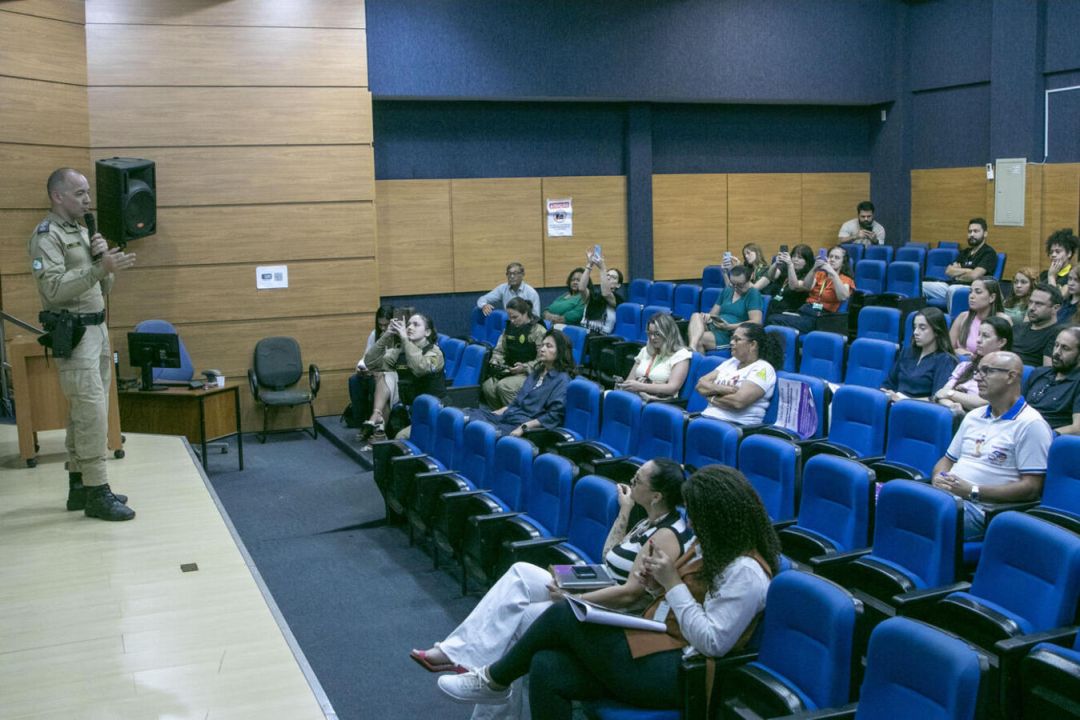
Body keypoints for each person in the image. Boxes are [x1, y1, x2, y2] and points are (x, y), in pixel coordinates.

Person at [436, 465, 779, 719]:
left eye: (697, 516)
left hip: (678, 672)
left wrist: (672, 583)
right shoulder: (712, 548)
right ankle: (491, 681)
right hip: (656, 642)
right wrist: (659, 581)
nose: (690, 524)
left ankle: (493, 680)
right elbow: (680, 597)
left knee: (564, 613)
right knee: (546, 667)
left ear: (720, 518)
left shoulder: (745, 572)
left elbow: (712, 642)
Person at [412, 458, 693, 720]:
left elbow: (631, 594)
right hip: (601, 583)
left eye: (637, 480)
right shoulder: (648, 519)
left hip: (617, 609)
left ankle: (488, 698)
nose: (631, 483)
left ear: (656, 495)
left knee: (524, 618)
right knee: (520, 573)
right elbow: (608, 554)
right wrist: (626, 510)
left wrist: (575, 598)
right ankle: (456, 653)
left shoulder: (666, 534)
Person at [29, 168, 137, 521]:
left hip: (97, 331)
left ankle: (79, 486)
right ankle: (97, 492)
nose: (87, 199)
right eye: (79, 193)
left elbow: (102, 290)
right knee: (90, 412)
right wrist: (96, 268)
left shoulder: (82, 231)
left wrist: (104, 266)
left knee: (87, 414)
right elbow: (54, 289)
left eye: (88, 192)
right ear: (57, 196)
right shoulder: (46, 237)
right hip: (74, 336)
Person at [931, 351, 1052, 540]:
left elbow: (1031, 488)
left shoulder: (1031, 424)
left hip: (983, 512)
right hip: (947, 498)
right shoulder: (974, 416)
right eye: (978, 371)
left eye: (987, 371)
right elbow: (946, 461)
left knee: (917, 517)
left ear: (1011, 376)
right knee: (891, 503)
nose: (978, 377)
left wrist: (973, 491)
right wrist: (938, 477)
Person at [470, 329, 573, 436]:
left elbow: (553, 416)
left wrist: (523, 428)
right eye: (542, 345)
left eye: (548, 346)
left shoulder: (562, 380)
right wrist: (492, 415)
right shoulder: (536, 373)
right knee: (468, 415)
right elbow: (515, 404)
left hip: (522, 425)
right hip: (508, 417)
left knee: (482, 431)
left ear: (560, 351)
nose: (542, 349)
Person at [360, 313, 445, 440]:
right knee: (384, 374)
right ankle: (377, 414)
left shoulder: (435, 353)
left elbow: (419, 368)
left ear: (427, 332)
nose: (410, 327)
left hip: (430, 411)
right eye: (409, 324)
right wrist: (387, 335)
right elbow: (370, 363)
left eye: (416, 325)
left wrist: (405, 339)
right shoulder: (400, 351)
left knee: (399, 439)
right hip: (409, 408)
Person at [697, 323, 782, 426]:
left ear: (753, 345)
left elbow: (738, 402)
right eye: (732, 338)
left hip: (736, 426)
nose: (731, 342)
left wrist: (711, 397)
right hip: (707, 418)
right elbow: (701, 384)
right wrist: (722, 389)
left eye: (737, 340)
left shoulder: (763, 368)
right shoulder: (732, 362)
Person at [935, 316, 1013, 417]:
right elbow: (941, 394)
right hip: (953, 413)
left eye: (985, 336)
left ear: (1001, 342)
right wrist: (954, 406)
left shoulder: (1005, 373)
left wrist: (951, 394)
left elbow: (984, 403)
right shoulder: (965, 366)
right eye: (979, 334)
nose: (978, 340)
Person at [769, 245, 854, 333]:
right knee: (774, 317)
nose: (832, 259)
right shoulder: (820, 274)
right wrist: (814, 268)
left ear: (843, 262)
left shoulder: (845, 279)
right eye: (830, 256)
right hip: (805, 312)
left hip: (820, 318)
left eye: (837, 258)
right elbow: (806, 286)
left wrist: (832, 273)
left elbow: (843, 297)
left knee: (773, 320)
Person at [922, 218, 999, 312]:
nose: (972, 234)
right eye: (970, 231)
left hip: (972, 289)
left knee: (953, 291)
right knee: (922, 286)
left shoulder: (988, 253)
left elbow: (975, 276)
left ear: (985, 233)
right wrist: (968, 271)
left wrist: (958, 274)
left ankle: (953, 322)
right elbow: (949, 271)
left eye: (976, 231)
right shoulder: (965, 252)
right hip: (951, 285)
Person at [481, 298, 547, 408]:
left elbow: (543, 360)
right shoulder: (508, 329)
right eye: (510, 317)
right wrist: (497, 361)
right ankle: (501, 415)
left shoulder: (538, 331)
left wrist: (525, 367)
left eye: (515, 317)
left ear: (525, 313)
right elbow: (499, 350)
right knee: (488, 386)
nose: (512, 321)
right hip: (511, 369)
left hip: (532, 372)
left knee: (504, 386)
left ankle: (519, 416)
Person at [881, 307, 957, 401]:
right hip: (895, 403)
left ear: (937, 331)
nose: (915, 332)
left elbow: (936, 398)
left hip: (919, 409)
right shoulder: (907, 352)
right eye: (915, 327)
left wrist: (903, 401)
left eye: (922, 328)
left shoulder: (945, 360)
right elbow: (888, 383)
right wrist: (885, 393)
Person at [686, 265, 762, 352]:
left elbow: (756, 322)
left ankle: (697, 361)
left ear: (748, 280)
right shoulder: (728, 290)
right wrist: (708, 317)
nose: (736, 288)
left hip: (732, 333)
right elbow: (713, 314)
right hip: (717, 326)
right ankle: (692, 347)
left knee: (699, 338)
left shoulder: (753, 294)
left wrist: (729, 327)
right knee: (696, 315)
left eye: (740, 285)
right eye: (733, 284)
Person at [618, 313, 692, 401]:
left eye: (657, 334)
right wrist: (622, 385)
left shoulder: (681, 355)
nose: (652, 338)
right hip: (636, 397)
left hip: (659, 401)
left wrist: (641, 387)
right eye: (650, 333)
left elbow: (672, 388)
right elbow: (630, 380)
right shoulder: (645, 350)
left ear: (668, 333)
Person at [1024, 326, 1080, 435]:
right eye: (1056, 345)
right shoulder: (1039, 373)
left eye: (1065, 348)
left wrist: (1046, 435)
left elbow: (1078, 428)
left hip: (1048, 439)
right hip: (1019, 429)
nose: (1056, 352)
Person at [347, 305, 394, 428]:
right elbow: (366, 357)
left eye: (386, 325)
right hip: (373, 371)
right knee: (354, 381)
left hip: (389, 374)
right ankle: (361, 422)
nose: (383, 328)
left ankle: (377, 422)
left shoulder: (399, 337)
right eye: (380, 325)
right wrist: (361, 366)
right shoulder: (375, 334)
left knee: (375, 382)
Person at [948, 277, 1009, 359]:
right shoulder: (963, 316)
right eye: (970, 292)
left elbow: (1005, 355)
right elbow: (947, 348)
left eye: (978, 292)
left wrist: (972, 357)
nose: (971, 296)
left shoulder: (1003, 320)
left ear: (992, 297)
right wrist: (956, 352)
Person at [1012, 283, 1063, 367]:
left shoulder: (1058, 335)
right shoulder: (1017, 327)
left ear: (1055, 308)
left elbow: (1047, 372)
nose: (1031, 308)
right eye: (1030, 302)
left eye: (1039, 304)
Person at [763, 244, 815, 319]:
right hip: (774, 306)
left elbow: (794, 286)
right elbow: (771, 276)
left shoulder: (808, 276)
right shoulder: (785, 267)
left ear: (807, 261)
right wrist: (776, 264)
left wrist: (790, 265)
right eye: (794, 256)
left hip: (790, 310)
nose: (795, 259)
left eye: (800, 258)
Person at [578, 250, 624, 335]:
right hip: (584, 332)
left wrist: (603, 269)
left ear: (618, 285)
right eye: (607, 275)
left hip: (600, 338)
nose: (608, 278)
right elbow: (581, 288)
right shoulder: (595, 296)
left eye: (613, 277)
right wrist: (589, 265)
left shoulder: (618, 300)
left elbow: (606, 294)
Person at [477, 262, 542, 318]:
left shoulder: (531, 293)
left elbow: (536, 316)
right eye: (509, 273)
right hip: (509, 324)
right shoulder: (502, 288)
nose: (512, 276)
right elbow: (482, 299)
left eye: (515, 273)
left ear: (522, 275)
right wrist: (484, 305)